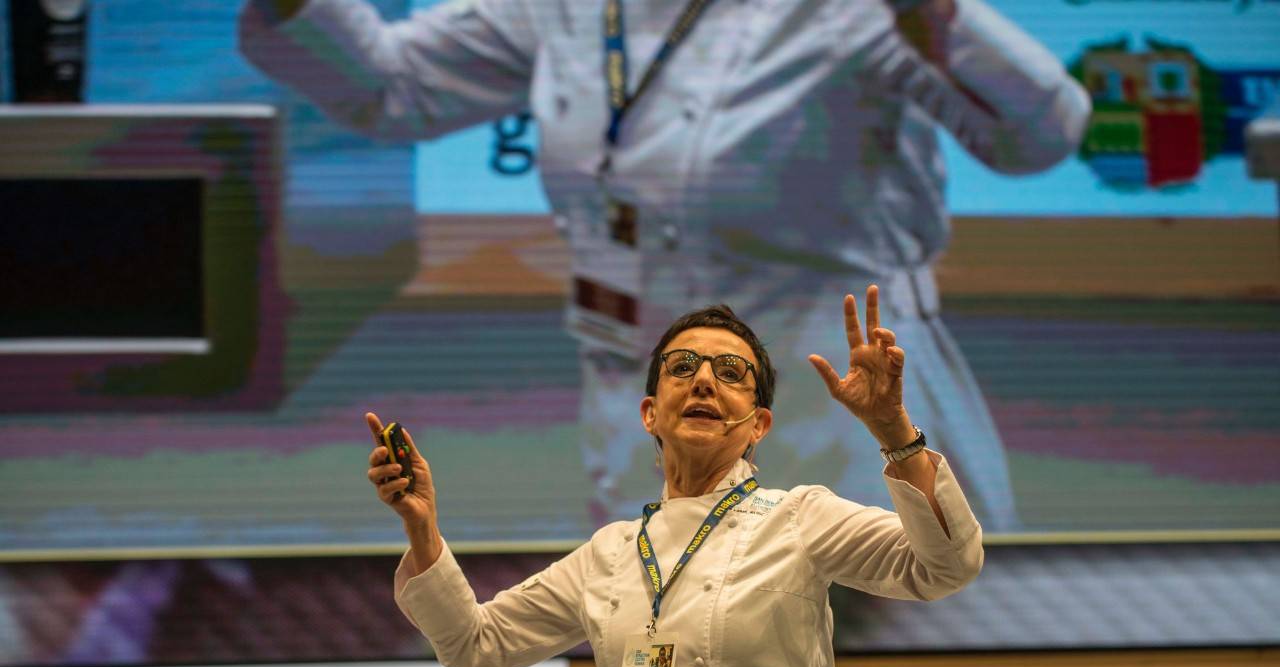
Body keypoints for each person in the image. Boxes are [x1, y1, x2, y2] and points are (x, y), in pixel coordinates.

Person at [240, 0, 1090, 533]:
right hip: (647, 402)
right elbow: (391, 89)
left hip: (832, 401)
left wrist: (938, 21)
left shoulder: (848, 9)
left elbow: (1038, 134)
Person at [366, 289, 983, 667]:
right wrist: (421, 527)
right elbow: (474, 643)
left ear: (758, 425)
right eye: (682, 368)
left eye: (732, 373)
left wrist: (892, 429)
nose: (704, 382)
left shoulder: (800, 517)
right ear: (649, 414)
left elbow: (945, 566)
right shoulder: (609, 554)